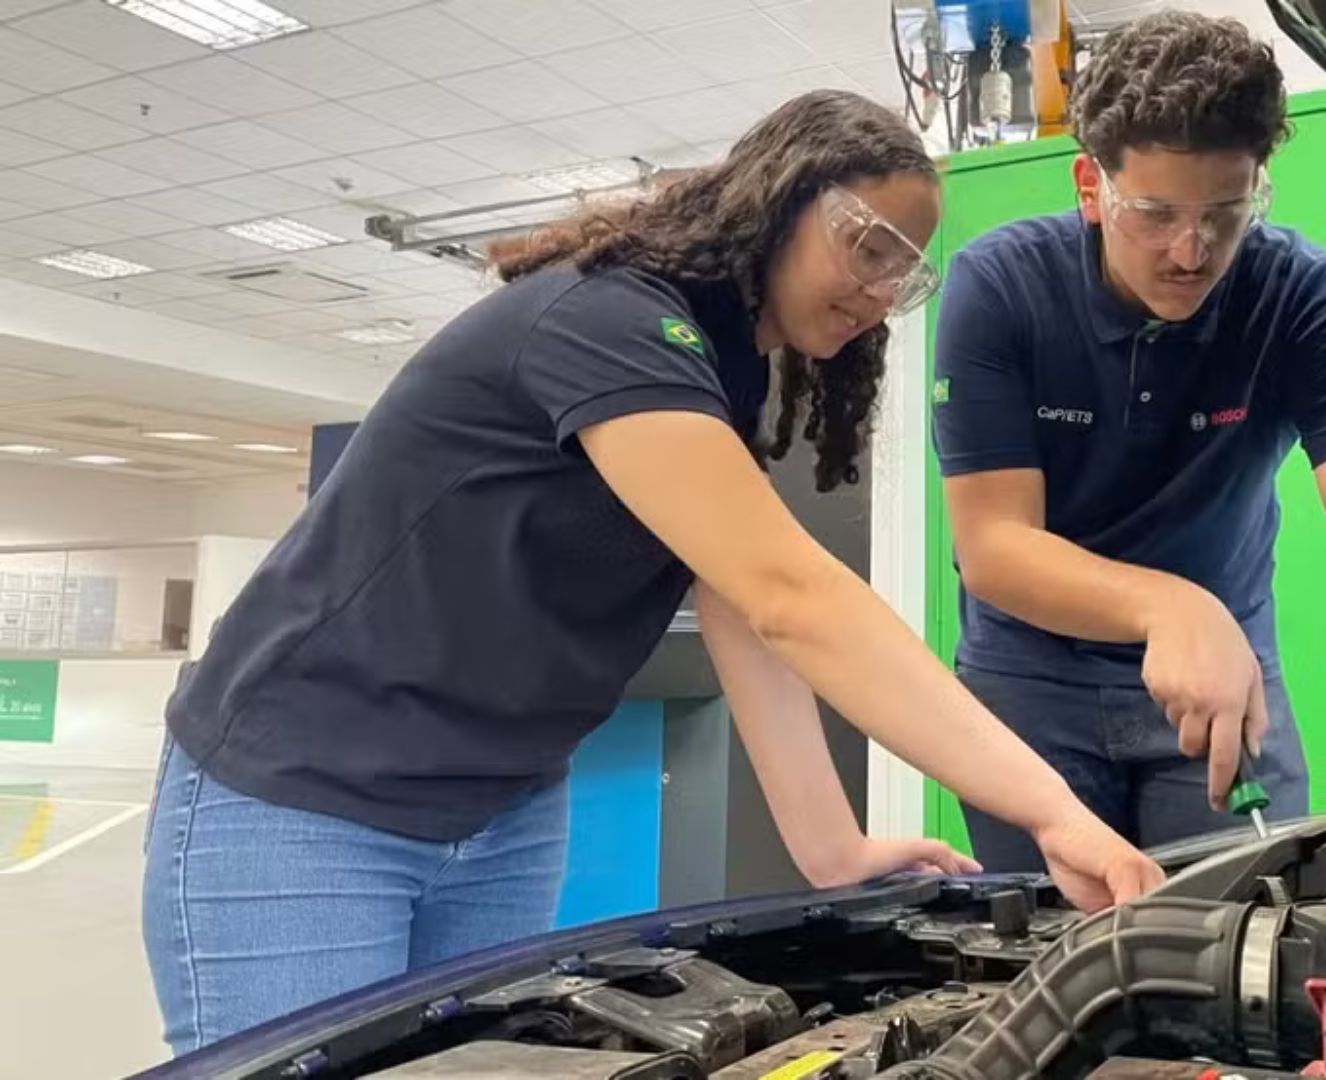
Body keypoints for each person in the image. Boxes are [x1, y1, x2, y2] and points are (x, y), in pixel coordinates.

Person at [142, 90, 1162, 1056]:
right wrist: (1052, 810)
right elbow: (791, 597)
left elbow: (740, 609)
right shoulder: (609, 320)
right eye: (867, 245)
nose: (879, 287)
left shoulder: (723, 370)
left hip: (500, 808)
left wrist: (831, 848)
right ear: (779, 200)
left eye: (905, 271)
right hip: (306, 791)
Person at [931, 13, 1326, 870]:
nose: (1191, 252)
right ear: (1090, 187)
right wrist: (1169, 606)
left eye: (1226, 213)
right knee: (1056, 936)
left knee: (1250, 918)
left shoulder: (1304, 297)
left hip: (1223, 678)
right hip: (1033, 680)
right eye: (1154, 215)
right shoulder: (999, 288)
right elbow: (993, 546)